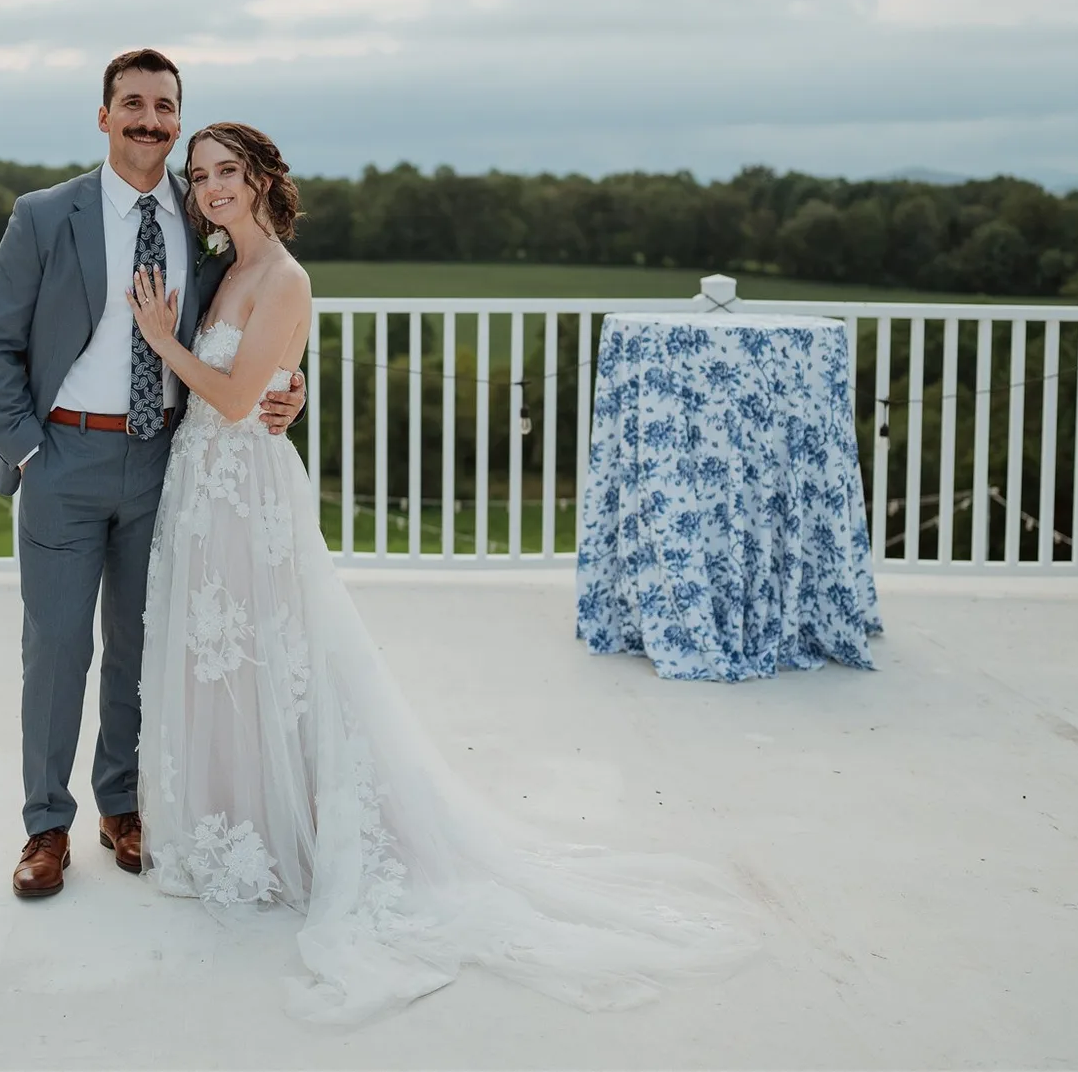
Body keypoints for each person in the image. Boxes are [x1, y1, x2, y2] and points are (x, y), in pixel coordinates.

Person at [127, 122, 759, 1024]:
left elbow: (233, 399)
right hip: (201, 489)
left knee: (278, 656)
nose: (212, 188)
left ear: (265, 179)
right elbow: (255, 384)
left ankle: (297, 838)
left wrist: (160, 338)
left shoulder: (286, 277)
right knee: (219, 660)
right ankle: (238, 830)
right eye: (201, 177)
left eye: (227, 171)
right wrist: (276, 382)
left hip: (247, 495)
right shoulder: (223, 269)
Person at [0, 50, 306, 899]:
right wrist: (29, 449)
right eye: (133, 104)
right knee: (54, 647)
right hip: (65, 458)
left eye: (165, 106)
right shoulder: (45, 216)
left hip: (166, 461)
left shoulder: (205, 226)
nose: (149, 119)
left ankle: (123, 805)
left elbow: (253, 326)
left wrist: (289, 387)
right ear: (104, 116)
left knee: (140, 643)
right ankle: (46, 825)